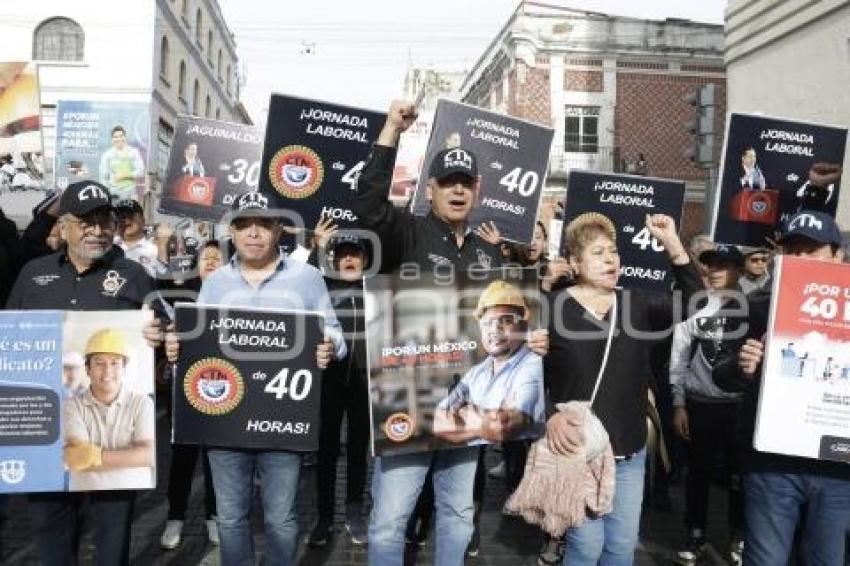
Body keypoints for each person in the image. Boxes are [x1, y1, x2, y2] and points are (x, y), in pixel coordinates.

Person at [353, 99, 536, 566]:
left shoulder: (488, 253)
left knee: (458, 511)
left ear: (477, 191)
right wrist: (391, 128)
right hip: (407, 403)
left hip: (468, 405)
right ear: (429, 190)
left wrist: (529, 340)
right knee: (391, 518)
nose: (458, 191)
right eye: (448, 183)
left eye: (466, 184)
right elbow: (369, 206)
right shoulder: (407, 233)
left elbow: (507, 325)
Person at [163, 190, 346, 566]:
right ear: (232, 230)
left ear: (278, 229)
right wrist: (176, 350)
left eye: (263, 224)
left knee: (281, 519)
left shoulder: (307, 277)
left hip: (282, 423)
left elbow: (336, 335)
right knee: (230, 518)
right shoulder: (215, 283)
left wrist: (328, 345)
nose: (253, 233)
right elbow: (195, 342)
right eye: (244, 224)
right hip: (224, 423)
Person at [5, 179, 163, 566]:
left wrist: (160, 339)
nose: (98, 230)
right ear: (63, 226)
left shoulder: (135, 276)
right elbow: (10, 338)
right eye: (86, 221)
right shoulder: (32, 274)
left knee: (112, 529)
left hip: (113, 428)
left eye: (104, 220)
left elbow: (166, 339)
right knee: (49, 525)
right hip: (46, 427)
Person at [544, 211, 701, 564]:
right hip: (576, 451)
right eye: (598, 253)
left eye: (613, 251)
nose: (610, 259)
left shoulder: (637, 303)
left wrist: (672, 243)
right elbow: (526, 376)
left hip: (628, 452)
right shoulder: (551, 309)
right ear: (574, 262)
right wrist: (549, 416)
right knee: (585, 546)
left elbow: (697, 302)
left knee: (620, 547)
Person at [713, 209, 850, 566]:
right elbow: (721, 372)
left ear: (838, 255)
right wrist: (742, 368)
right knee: (766, 560)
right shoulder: (750, 307)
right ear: (779, 254)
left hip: (838, 468)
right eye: (793, 250)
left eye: (812, 250)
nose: (801, 259)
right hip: (771, 465)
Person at [669, 244, 746, 564]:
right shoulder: (695, 304)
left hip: (740, 407)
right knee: (698, 474)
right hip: (701, 404)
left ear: (739, 271)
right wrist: (678, 403)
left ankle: (739, 535)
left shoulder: (755, 305)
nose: (715, 271)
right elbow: (680, 355)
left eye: (724, 266)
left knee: (739, 476)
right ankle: (695, 532)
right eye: (711, 265)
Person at [307, 234, 371, 547]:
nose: (348, 260)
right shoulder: (320, 288)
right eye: (342, 254)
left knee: (359, 452)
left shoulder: (377, 289)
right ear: (333, 260)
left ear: (365, 260)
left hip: (365, 383)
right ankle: (324, 517)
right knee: (326, 452)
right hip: (328, 382)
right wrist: (316, 246)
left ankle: (355, 512)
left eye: (355, 255)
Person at [159, 240, 223, 549]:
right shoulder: (180, 293)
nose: (210, 261)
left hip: (222, 386)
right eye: (205, 257)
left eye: (217, 257)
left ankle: (213, 515)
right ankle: (175, 517)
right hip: (183, 388)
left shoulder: (232, 294)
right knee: (182, 455)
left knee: (216, 458)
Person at [433, 280, 544, 445]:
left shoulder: (533, 366)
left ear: (523, 323)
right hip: (480, 463)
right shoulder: (476, 373)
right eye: (487, 323)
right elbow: (439, 424)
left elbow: (502, 428)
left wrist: (465, 412)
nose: (494, 330)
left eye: (506, 321)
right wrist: (486, 423)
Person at [63, 328, 155, 491]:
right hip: (84, 498)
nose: (107, 371)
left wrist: (94, 456)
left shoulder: (142, 403)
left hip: (134, 497)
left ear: (124, 368)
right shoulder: (72, 405)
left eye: (115, 363)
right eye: (99, 363)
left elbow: (148, 455)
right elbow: (77, 458)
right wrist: (131, 456)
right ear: (88, 369)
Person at [99, 125, 145, 200]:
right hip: (113, 194)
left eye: (121, 136)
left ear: (125, 137)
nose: (119, 139)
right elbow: (103, 178)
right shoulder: (107, 155)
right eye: (116, 137)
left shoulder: (133, 152)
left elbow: (141, 171)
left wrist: (125, 175)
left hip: (130, 193)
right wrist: (106, 195)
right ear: (112, 139)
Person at [114, 199, 158, 275]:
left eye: (130, 215)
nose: (125, 219)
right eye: (120, 216)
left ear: (143, 220)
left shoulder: (154, 249)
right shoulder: (108, 246)